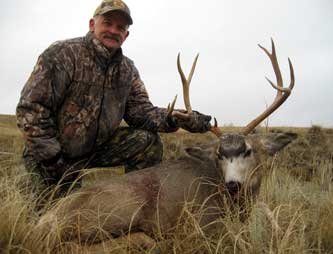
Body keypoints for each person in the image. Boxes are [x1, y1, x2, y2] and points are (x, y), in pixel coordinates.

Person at [16, 0, 212, 193]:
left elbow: (141, 112)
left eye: (120, 27)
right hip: (54, 154)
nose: (113, 30)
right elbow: (31, 109)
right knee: (59, 217)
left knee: (147, 141)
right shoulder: (62, 54)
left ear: (125, 35)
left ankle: (138, 201)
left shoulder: (127, 69)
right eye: (107, 23)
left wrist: (178, 118)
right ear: (92, 25)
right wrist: (52, 159)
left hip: (95, 149)